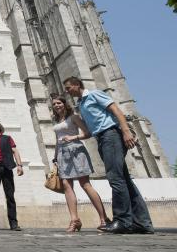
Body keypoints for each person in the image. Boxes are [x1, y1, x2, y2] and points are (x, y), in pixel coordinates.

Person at [63, 76, 154, 234]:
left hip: (110, 135)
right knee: (125, 180)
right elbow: (92, 128)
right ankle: (143, 223)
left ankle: (122, 221)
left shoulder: (94, 95)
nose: (67, 91)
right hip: (101, 138)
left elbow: (116, 110)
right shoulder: (81, 104)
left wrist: (125, 131)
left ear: (77, 85)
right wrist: (74, 137)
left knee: (115, 178)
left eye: (68, 87)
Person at [51, 95, 111, 232]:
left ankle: (104, 218)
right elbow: (57, 139)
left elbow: (88, 133)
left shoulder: (74, 117)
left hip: (76, 151)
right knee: (66, 185)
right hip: (62, 153)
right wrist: (55, 157)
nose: (56, 105)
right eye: (54, 104)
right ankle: (74, 220)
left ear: (65, 104)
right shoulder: (56, 120)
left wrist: (73, 137)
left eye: (59, 103)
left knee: (85, 184)